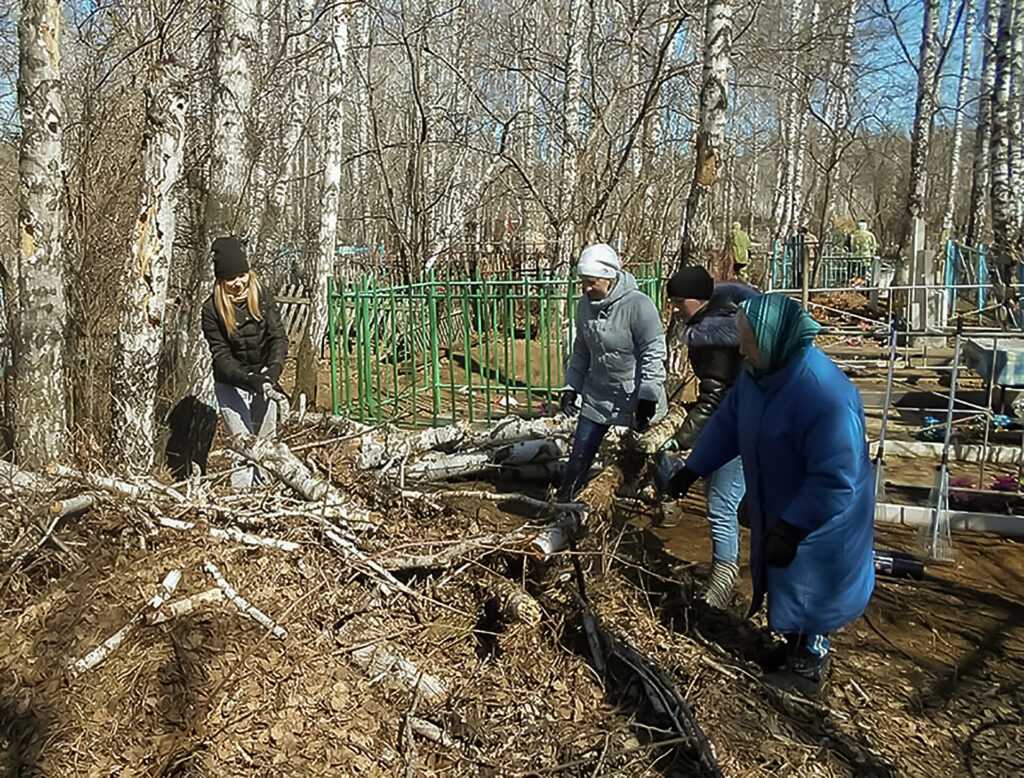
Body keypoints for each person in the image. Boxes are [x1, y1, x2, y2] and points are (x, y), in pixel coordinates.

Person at [659, 293, 875, 696]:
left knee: (810, 584)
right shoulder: (760, 377)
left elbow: (835, 478)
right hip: (780, 501)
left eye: (748, 341)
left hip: (820, 517)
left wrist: (793, 527)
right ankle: (794, 646)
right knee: (787, 581)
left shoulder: (824, 396)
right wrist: (693, 468)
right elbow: (727, 423)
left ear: (775, 339)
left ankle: (810, 662)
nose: (741, 349)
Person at [660, 266, 757, 608]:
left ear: (695, 300)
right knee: (728, 498)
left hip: (741, 428)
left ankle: (722, 584)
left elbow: (714, 396)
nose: (673, 309)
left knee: (720, 503)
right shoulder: (729, 321)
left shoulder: (714, 336)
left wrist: (680, 439)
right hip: (737, 422)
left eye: (676, 303)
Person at [557, 243, 667, 502]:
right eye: (582, 282)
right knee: (579, 455)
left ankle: (669, 495)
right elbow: (581, 350)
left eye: (591, 282)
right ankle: (565, 505)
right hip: (598, 396)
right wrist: (571, 387)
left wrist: (648, 396)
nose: (585, 288)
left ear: (608, 277)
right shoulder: (584, 305)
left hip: (636, 397)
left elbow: (654, 351)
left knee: (651, 454)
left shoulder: (639, 305)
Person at [201, 236, 289, 489]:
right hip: (232, 383)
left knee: (265, 443)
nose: (238, 283)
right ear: (221, 280)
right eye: (231, 279)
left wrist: (272, 371)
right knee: (242, 445)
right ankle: (240, 500)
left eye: (242, 275)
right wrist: (247, 379)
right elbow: (221, 356)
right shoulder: (211, 310)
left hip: (264, 380)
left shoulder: (261, 295)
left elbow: (278, 338)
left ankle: (266, 495)